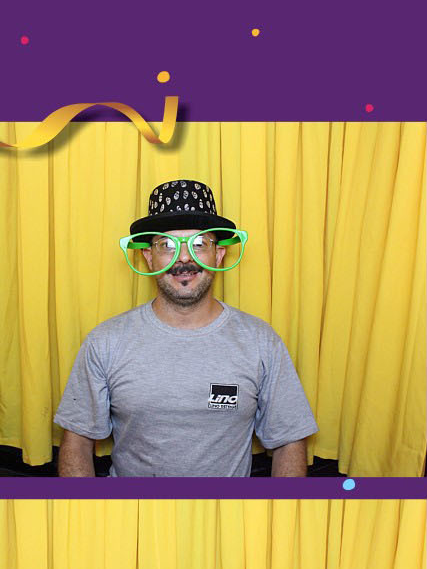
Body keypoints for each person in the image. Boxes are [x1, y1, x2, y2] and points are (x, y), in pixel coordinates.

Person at [54, 179, 317, 478]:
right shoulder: (105, 342)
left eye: (199, 244)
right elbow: (77, 441)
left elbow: (289, 441)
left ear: (219, 255)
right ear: (149, 257)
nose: (183, 258)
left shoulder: (261, 342)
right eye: (167, 246)